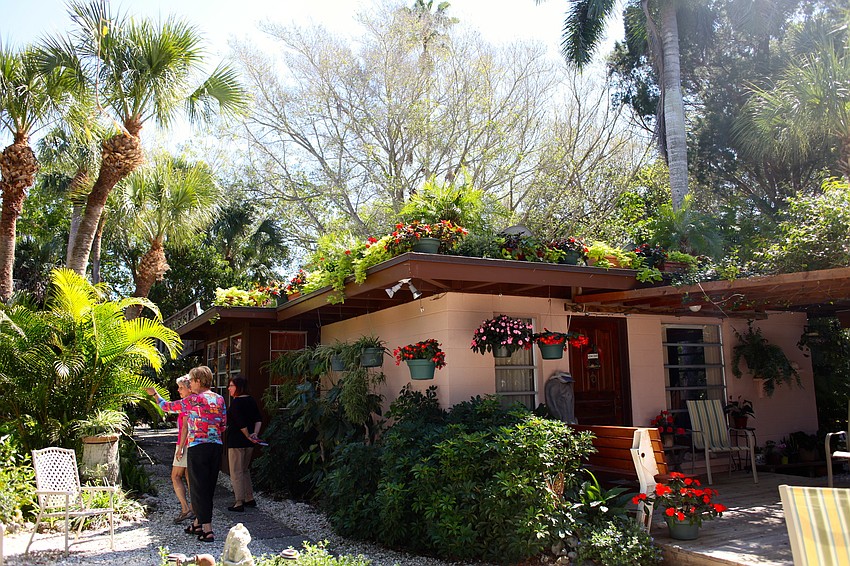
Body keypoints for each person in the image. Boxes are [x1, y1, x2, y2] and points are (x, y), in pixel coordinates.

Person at [147, 365, 225, 543]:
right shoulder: (219, 399)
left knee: (198, 489)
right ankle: (198, 523)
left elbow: (168, 407)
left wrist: (154, 394)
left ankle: (207, 530)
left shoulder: (194, 399)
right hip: (216, 446)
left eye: (191, 380)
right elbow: (223, 424)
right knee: (208, 487)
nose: (189, 384)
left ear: (198, 381)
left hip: (198, 447)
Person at [225, 375, 264, 512]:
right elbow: (258, 419)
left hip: (236, 441)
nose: (229, 388)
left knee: (236, 471)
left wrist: (248, 435)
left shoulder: (236, 403)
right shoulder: (251, 400)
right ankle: (249, 497)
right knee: (244, 469)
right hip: (250, 443)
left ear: (238, 387)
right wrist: (255, 435)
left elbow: (240, 422)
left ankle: (238, 501)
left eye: (231, 385)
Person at [171, 374, 194, 523]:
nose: (179, 390)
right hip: (192, 443)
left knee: (175, 476)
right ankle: (193, 508)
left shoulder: (186, 403)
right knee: (188, 476)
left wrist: (180, 448)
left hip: (184, 443)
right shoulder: (195, 402)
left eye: (181, 387)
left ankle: (186, 509)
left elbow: (185, 426)